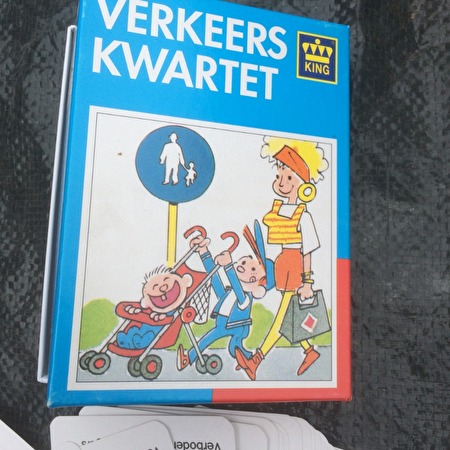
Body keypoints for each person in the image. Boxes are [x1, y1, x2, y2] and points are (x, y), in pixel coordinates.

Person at [236, 138, 328, 380]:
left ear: (303, 186)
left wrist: (307, 282)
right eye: (279, 177)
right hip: (282, 264)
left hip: (295, 265)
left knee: (281, 318)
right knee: (289, 314)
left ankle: (256, 360)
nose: (281, 183)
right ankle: (309, 351)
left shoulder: (303, 215)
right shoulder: (278, 209)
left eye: (288, 178)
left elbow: (308, 250)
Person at [177, 224, 274, 370]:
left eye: (253, 268)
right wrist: (204, 252)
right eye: (243, 262)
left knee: (212, 338)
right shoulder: (229, 293)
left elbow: (237, 288)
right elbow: (214, 278)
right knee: (235, 348)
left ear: (256, 280)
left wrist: (229, 266)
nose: (243, 265)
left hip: (235, 326)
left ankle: (188, 358)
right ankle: (248, 360)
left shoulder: (245, 298)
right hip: (226, 323)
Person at [116, 266, 193, 349]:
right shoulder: (152, 305)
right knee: (133, 330)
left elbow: (169, 318)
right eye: (155, 286)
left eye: (166, 280)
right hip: (143, 327)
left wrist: (160, 317)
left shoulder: (175, 309)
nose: (162, 288)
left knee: (147, 336)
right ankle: (126, 340)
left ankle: (136, 342)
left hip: (155, 333)